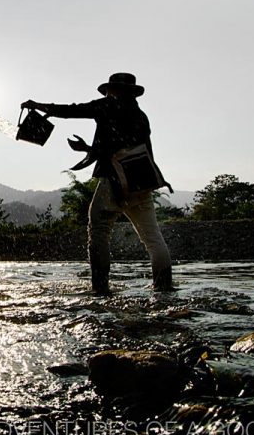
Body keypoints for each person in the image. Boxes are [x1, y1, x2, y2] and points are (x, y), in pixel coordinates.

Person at [22, 72, 173, 294]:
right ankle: (164, 287)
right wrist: (87, 149)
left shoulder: (107, 106)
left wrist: (39, 105)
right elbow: (128, 149)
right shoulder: (141, 116)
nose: (108, 92)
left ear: (116, 90)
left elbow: (72, 110)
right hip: (142, 181)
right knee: (153, 238)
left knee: (99, 230)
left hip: (114, 179)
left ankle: (100, 288)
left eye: (110, 89)